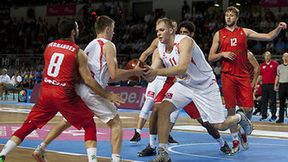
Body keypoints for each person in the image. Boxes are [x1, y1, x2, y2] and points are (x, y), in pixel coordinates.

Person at [0, 18, 124, 162]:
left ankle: (3, 154)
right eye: (77, 28)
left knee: (30, 125)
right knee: (89, 124)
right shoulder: (78, 52)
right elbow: (88, 80)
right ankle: (93, 160)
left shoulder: (49, 46)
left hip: (45, 92)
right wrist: (108, 94)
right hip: (64, 95)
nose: (78, 30)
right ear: (73, 32)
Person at [31, 15, 146, 162]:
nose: (114, 33)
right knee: (116, 123)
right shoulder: (109, 45)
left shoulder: (90, 45)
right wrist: (134, 73)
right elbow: (114, 74)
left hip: (79, 88)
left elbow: (105, 74)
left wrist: (129, 75)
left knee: (67, 120)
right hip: (93, 90)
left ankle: (40, 148)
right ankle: (116, 159)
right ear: (108, 29)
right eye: (114, 29)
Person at [143, 18, 252, 162]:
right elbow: (153, 74)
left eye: (161, 30)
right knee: (162, 108)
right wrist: (143, 73)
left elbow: (182, 68)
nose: (158, 33)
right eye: (157, 30)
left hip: (205, 85)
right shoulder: (160, 48)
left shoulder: (185, 41)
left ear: (171, 30)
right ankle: (163, 153)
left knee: (219, 125)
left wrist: (155, 72)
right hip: (184, 85)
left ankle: (240, 117)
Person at [208, 6, 286, 153]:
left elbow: (268, 36)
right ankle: (236, 141)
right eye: (226, 15)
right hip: (227, 75)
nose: (228, 17)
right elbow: (211, 57)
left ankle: (243, 130)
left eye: (231, 15)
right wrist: (223, 53)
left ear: (237, 18)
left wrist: (278, 28)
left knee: (249, 109)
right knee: (231, 110)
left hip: (243, 75)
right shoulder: (219, 34)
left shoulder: (244, 32)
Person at [258, 51, 278, 121]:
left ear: (270, 56)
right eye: (266, 56)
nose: (267, 57)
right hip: (264, 85)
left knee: (273, 101)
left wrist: (276, 84)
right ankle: (264, 115)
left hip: (272, 85)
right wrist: (258, 83)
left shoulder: (275, 64)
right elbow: (260, 75)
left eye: (268, 55)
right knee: (264, 101)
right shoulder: (261, 65)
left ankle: (273, 115)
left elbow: (277, 75)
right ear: (264, 57)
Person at [274, 52, 288, 123]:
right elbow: (277, 76)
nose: (285, 58)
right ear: (282, 58)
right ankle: (281, 119)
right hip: (282, 85)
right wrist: (275, 85)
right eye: (284, 56)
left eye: (287, 56)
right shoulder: (279, 67)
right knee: (281, 103)